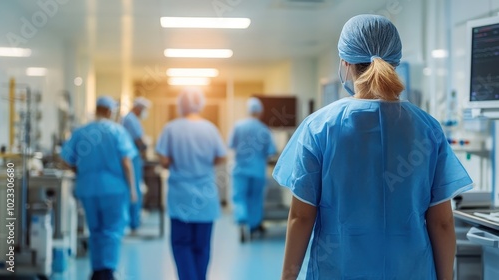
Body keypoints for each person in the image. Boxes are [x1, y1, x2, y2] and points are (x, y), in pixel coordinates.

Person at [273, 15, 474, 280]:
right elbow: (442, 222)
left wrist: (287, 277)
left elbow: (301, 216)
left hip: (339, 271)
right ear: (395, 62)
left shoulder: (319, 127)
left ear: (345, 63)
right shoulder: (427, 129)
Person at [61, 96, 138, 280]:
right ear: (110, 111)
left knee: (95, 230)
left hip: (88, 188)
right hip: (114, 189)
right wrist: (133, 189)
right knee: (111, 229)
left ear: (96, 109)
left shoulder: (81, 131)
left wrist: (80, 170)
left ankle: (97, 270)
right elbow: (126, 162)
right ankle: (107, 271)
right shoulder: (117, 131)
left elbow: (65, 158)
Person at [155, 87, 226, 280]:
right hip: (205, 196)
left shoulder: (171, 128)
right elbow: (221, 157)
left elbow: (164, 160)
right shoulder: (210, 128)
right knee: (202, 246)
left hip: (180, 196)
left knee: (181, 245)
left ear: (181, 104)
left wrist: (178, 160)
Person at [228, 97, 277, 242]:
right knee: (255, 199)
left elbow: (231, 144)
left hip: (240, 170)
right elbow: (271, 151)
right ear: (260, 112)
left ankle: (241, 221)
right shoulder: (264, 129)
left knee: (239, 197)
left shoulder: (238, 126)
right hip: (257, 170)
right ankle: (253, 226)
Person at [121, 96, 151, 234]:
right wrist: (145, 147)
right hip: (132, 158)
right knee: (133, 188)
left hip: (133, 157)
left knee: (134, 188)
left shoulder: (130, 119)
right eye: (144, 109)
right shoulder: (130, 119)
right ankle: (133, 222)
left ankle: (133, 221)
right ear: (138, 108)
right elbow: (139, 140)